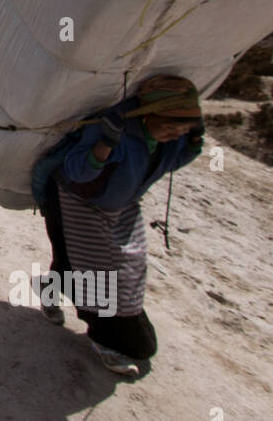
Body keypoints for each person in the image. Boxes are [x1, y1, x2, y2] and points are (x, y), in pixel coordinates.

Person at [35, 74, 205, 377]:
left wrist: (192, 143)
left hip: (122, 205)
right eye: (170, 125)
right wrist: (104, 146)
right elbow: (76, 171)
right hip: (75, 201)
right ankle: (106, 341)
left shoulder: (168, 141)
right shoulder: (114, 129)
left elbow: (170, 163)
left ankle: (52, 289)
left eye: (184, 128)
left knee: (129, 265)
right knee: (93, 270)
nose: (176, 133)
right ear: (147, 115)